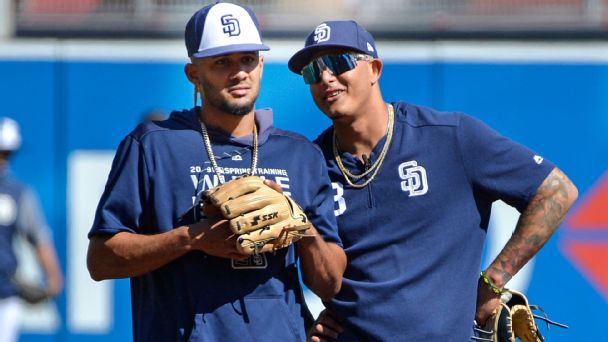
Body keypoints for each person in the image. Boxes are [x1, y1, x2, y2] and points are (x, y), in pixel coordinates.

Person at [287, 20, 578, 341]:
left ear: (374, 69)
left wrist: (492, 282)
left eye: (340, 62)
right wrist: (305, 325)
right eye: (313, 72)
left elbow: (557, 190)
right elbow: (286, 271)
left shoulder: (449, 137)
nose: (326, 77)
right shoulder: (311, 164)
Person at [86, 2, 346, 341]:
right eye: (222, 62)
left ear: (262, 65)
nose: (239, 72)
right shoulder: (153, 146)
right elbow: (102, 260)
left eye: (247, 59)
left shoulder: (299, 154)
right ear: (193, 73)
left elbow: (330, 282)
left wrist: (301, 226)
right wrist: (192, 239)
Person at [0, 117, 64, 342]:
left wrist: (53, 277)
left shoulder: (17, 193)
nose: (4, 160)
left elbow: (39, 237)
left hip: (4, 295)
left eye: (7, 154)